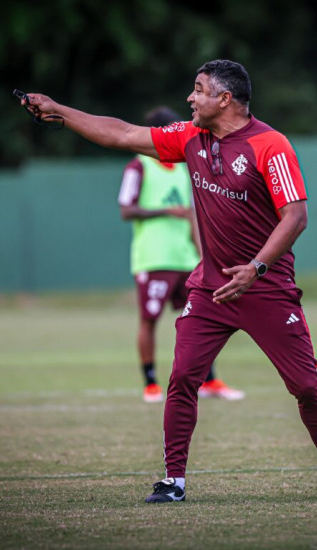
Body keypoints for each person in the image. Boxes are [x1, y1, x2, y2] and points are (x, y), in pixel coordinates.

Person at [19, 59, 317, 502]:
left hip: (266, 287)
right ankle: (173, 481)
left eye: (198, 90)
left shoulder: (270, 144)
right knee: (182, 377)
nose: (190, 98)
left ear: (224, 99)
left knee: (305, 387)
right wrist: (59, 110)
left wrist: (256, 268)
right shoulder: (189, 137)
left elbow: (295, 216)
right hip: (210, 289)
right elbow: (122, 133)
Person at [118, 105, 245, 403]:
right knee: (149, 320)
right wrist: (165, 211)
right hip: (154, 258)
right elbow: (126, 210)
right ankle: (150, 382)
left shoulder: (184, 167)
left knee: (203, 319)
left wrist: (205, 254)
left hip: (187, 259)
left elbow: (193, 216)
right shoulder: (138, 166)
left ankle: (210, 380)